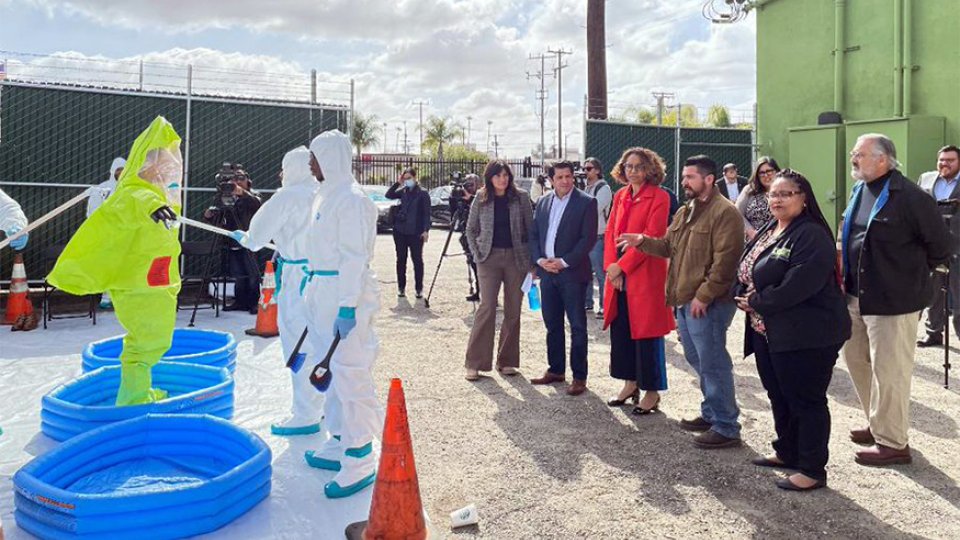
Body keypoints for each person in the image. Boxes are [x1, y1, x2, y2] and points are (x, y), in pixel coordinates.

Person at [48, 116, 183, 406]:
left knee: (155, 340)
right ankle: (132, 401)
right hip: (139, 281)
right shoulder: (135, 191)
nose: (169, 165)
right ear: (147, 163)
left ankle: (140, 391)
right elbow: (130, 202)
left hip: (155, 278)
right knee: (145, 342)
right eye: (163, 160)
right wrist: (153, 205)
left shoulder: (158, 193)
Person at [734, 169, 851, 491]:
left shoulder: (810, 234)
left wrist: (759, 300)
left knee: (806, 399)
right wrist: (741, 293)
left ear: (804, 199)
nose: (777, 199)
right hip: (768, 330)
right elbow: (748, 266)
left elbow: (800, 284)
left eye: (786, 194)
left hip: (808, 331)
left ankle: (812, 469)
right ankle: (787, 451)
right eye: (773, 193)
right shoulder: (772, 227)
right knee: (779, 394)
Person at [840, 133, 952, 466]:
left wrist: (908, 276)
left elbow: (941, 247)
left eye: (859, 154)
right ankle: (878, 424)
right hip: (856, 296)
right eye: (853, 153)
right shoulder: (861, 189)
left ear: (883, 159)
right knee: (856, 360)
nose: (854, 159)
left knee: (890, 372)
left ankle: (893, 443)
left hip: (894, 300)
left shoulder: (913, 198)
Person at [618, 155, 744, 449]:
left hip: (707, 302)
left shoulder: (725, 213)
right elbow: (667, 246)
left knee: (713, 362)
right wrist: (641, 241)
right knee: (696, 358)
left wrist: (704, 295)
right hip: (685, 299)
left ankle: (726, 425)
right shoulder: (687, 210)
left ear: (709, 179)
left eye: (690, 177)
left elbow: (725, 262)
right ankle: (712, 412)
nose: (684, 182)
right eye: (684, 176)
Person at [301, 130, 383, 499]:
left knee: (351, 373)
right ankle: (338, 440)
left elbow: (353, 255)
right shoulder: (327, 196)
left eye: (315, 156)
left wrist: (348, 303)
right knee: (329, 370)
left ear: (331, 157)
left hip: (341, 294)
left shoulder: (351, 200)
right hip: (323, 290)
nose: (310, 163)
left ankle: (360, 455)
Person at [231, 146, 324, 436]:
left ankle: (305, 414)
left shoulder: (286, 197)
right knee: (319, 340)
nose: (281, 175)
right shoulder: (323, 193)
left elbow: (257, 238)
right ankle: (320, 406)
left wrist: (244, 238)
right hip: (323, 276)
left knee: (297, 343)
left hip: (298, 278)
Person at [602, 148, 674, 414]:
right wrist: (612, 268)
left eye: (638, 166)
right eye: (628, 166)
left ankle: (652, 391)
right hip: (619, 275)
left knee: (647, 334)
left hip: (644, 275)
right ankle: (630, 383)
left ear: (649, 169)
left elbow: (652, 235)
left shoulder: (660, 197)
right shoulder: (620, 195)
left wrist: (621, 268)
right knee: (621, 331)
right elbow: (611, 233)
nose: (632, 171)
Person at [529, 160, 598, 396]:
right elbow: (535, 234)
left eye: (568, 176)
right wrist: (540, 261)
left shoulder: (586, 203)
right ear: (551, 179)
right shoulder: (543, 201)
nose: (565, 181)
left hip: (572, 273)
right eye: (560, 177)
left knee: (578, 326)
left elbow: (587, 239)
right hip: (547, 273)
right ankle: (556, 370)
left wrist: (564, 261)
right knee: (552, 324)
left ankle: (579, 377)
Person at [464, 161, 534, 381]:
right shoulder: (482, 197)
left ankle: (507, 361)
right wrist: (477, 255)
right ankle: (475, 363)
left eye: (505, 175)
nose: (502, 179)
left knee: (513, 309)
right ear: (490, 178)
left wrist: (532, 263)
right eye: (497, 175)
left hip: (516, 259)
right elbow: (470, 229)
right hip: (488, 259)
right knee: (487, 307)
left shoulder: (521, 197)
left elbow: (531, 229)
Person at [917, 145, 960, 347]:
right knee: (933, 292)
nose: (945, 163)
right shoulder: (926, 179)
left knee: (958, 293)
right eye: (942, 160)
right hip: (932, 247)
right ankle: (933, 332)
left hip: (958, 247)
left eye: (950, 160)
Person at [203, 166, 262, 313]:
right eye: (234, 179)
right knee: (238, 274)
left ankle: (254, 303)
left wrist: (242, 193)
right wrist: (209, 215)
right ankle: (240, 301)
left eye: (241, 178)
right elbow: (219, 219)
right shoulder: (225, 198)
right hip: (233, 241)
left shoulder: (253, 195)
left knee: (252, 274)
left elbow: (257, 204)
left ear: (248, 181)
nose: (237, 182)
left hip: (249, 240)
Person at [86, 156, 126, 309]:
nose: (120, 173)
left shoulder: (131, 189)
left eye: (123, 170)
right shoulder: (103, 188)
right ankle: (107, 297)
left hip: (126, 234)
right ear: (112, 171)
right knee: (109, 265)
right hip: (107, 234)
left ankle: (122, 298)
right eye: (118, 170)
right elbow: (93, 211)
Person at [386, 167, 431, 299]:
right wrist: (398, 183)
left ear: (415, 178)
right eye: (405, 178)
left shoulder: (423, 193)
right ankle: (401, 287)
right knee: (401, 260)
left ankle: (419, 288)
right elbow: (388, 195)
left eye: (409, 178)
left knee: (417, 260)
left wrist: (426, 230)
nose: (407, 181)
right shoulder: (403, 191)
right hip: (400, 231)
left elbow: (427, 214)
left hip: (416, 233)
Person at [582, 157, 613, 319]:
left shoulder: (604, 188)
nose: (585, 171)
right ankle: (588, 303)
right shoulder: (587, 188)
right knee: (585, 272)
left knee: (601, 274)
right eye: (584, 168)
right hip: (587, 237)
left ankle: (604, 306)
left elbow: (593, 209)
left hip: (599, 237)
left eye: (588, 168)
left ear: (597, 171)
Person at [736, 157, 781, 241]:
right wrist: (750, 231)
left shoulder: (784, 192)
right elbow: (736, 213)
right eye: (761, 173)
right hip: (752, 239)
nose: (766, 175)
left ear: (777, 171)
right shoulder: (749, 190)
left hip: (777, 239)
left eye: (769, 171)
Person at [452, 174, 481, 301]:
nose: (468, 187)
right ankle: (478, 291)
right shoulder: (464, 198)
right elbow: (454, 211)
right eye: (467, 184)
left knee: (482, 266)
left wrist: (471, 199)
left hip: (480, 237)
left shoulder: (482, 196)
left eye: (471, 184)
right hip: (467, 234)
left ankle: (486, 293)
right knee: (473, 264)